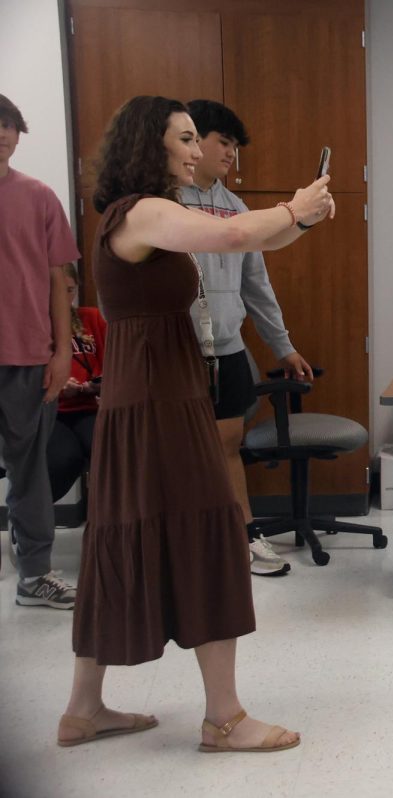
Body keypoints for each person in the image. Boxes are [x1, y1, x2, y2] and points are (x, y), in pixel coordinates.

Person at [60, 95, 333, 751]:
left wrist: (304, 218)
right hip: (159, 402)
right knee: (210, 531)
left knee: (124, 540)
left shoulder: (148, 216)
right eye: (184, 137)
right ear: (148, 145)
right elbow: (238, 234)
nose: (195, 148)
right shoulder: (142, 212)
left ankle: (83, 709)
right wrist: (293, 207)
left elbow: (256, 237)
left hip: (149, 396)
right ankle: (224, 718)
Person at [179, 99, 312, 577]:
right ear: (194, 141)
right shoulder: (165, 202)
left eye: (235, 146)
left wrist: (284, 346)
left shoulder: (234, 206)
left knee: (228, 442)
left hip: (228, 347)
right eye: (223, 142)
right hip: (179, 352)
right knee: (181, 449)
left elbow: (257, 285)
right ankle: (193, 539)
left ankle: (244, 535)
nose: (230, 153)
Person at [0, 93, 78, 606]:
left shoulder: (40, 196)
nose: (3, 135)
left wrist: (62, 351)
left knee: (29, 470)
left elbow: (58, 280)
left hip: (28, 355)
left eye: (9, 126)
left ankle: (34, 576)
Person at [46, 263, 106, 503]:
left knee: (112, 454)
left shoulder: (91, 318)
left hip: (88, 408)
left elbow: (113, 364)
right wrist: (57, 387)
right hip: (51, 412)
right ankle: (29, 514)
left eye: (69, 290)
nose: (64, 298)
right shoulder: (34, 328)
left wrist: (97, 385)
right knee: (64, 459)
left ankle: (110, 520)